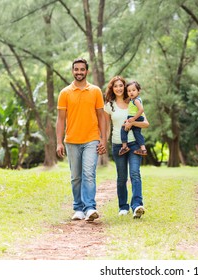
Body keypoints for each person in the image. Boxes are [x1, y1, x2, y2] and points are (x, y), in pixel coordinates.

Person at [56, 58, 107, 222]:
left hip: (91, 139)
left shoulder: (96, 91)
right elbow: (60, 119)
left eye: (82, 69)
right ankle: (78, 208)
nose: (79, 72)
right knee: (76, 176)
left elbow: (101, 117)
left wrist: (103, 140)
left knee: (88, 174)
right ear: (72, 71)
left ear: (87, 71)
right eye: (76, 69)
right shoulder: (65, 93)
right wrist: (59, 142)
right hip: (71, 140)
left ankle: (90, 207)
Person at [104, 76, 149, 218]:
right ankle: (123, 207)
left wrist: (132, 123)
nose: (118, 88)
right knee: (121, 177)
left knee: (135, 173)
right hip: (118, 145)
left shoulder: (133, 102)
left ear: (124, 87)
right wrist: (103, 143)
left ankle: (137, 206)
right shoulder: (109, 105)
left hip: (134, 143)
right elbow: (106, 128)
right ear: (112, 88)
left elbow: (146, 123)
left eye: (121, 86)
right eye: (115, 86)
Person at [119, 81, 147, 156]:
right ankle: (143, 149)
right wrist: (129, 120)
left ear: (138, 91)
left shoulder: (136, 100)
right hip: (134, 118)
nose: (131, 92)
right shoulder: (133, 100)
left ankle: (124, 146)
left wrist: (133, 119)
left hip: (136, 118)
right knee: (137, 133)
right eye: (129, 91)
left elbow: (141, 110)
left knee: (123, 128)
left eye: (133, 90)